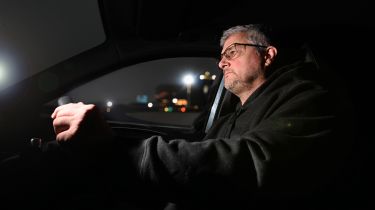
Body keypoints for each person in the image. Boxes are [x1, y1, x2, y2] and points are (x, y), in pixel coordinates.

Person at [2, 24, 355, 210]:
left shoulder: (311, 96)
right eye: (221, 56)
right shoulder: (236, 112)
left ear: (268, 55)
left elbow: (253, 162)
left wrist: (129, 156)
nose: (221, 62)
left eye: (232, 51)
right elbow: (202, 151)